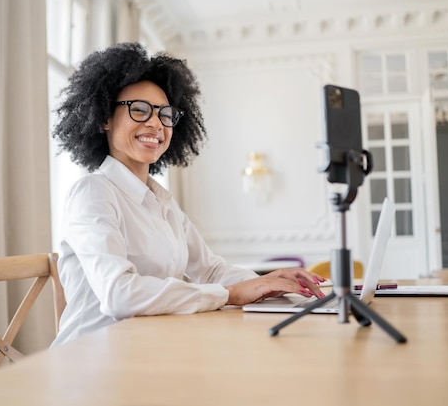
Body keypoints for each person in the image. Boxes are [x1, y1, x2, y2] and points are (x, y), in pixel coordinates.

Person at [50, 42, 325, 346]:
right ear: (104, 118)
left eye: (165, 114)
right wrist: (230, 294)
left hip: (149, 349)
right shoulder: (93, 193)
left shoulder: (161, 201)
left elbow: (209, 269)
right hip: (89, 360)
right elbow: (119, 295)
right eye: (139, 110)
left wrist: (267, 283)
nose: (156, 123)